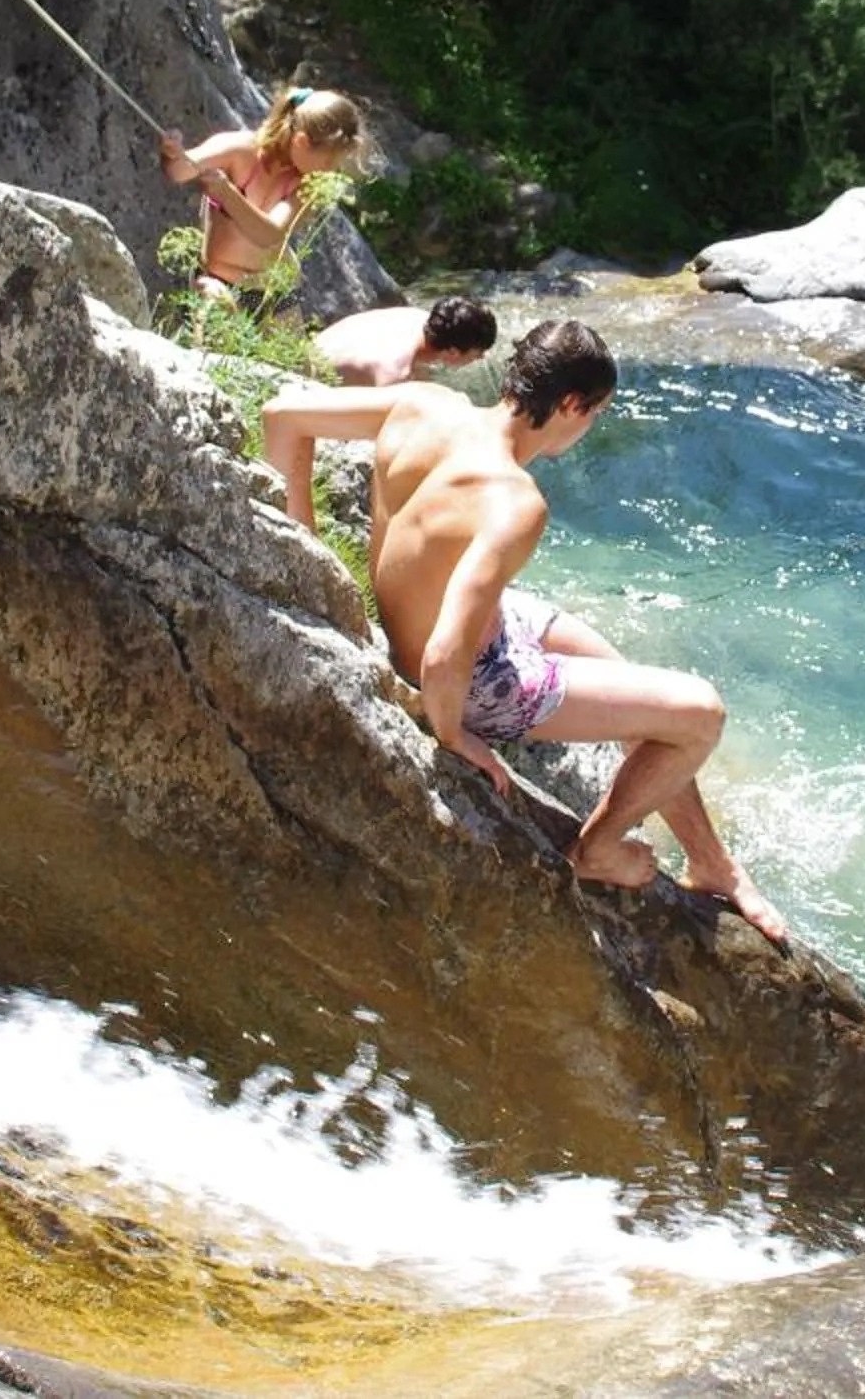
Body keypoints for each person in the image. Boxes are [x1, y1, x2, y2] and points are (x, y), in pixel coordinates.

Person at [262, 320, 788, 942]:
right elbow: (446, 651)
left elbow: (282, 416)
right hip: (480, 679)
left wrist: (307, 554)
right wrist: (454, 736)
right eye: (594, 415)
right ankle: (598, 849)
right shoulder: (514, 501)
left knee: (624, 675)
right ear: (570, 404)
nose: (589, 429)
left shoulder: (423, 403)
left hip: (451, 629)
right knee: (700, 715)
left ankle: (712, 862)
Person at [158, 85, 369, 296]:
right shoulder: (238, 149)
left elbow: (270, 235)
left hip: (272, 290)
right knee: (214, 305)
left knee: (286, 328)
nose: (331, 170)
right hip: (218, 282)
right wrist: (173, 152)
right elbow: (181, 171)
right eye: (329, 161)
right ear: (301, 141)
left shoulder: (309, 184)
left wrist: (226, 193)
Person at [314, 296, 499, 387]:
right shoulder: (395, 372)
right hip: (307, 383)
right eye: (477, 353)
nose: (482, 357)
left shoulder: (422, 319)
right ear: (452, 352)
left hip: (310, 347)